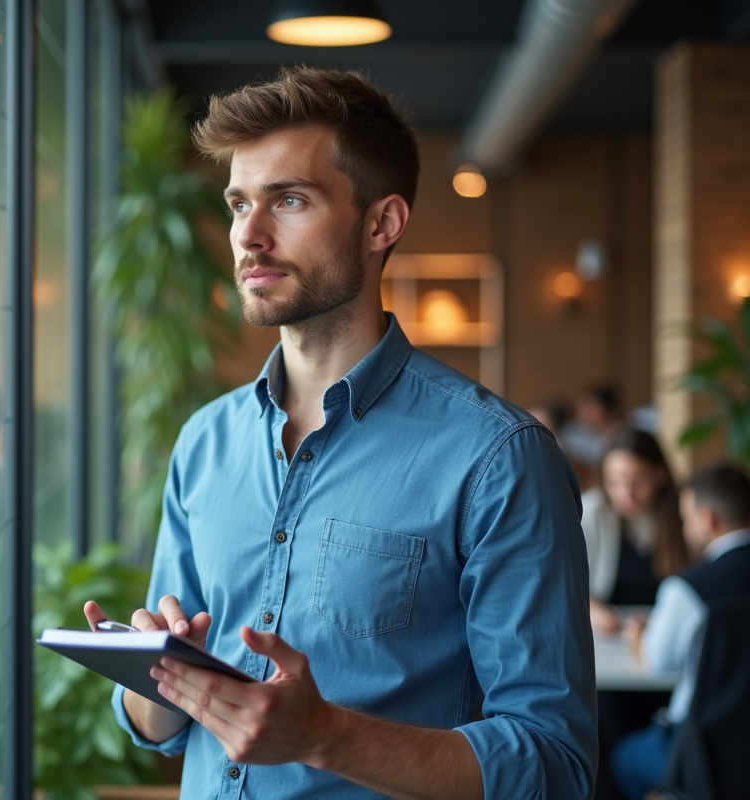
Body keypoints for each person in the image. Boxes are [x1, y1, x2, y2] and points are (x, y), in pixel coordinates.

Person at [83, 66, 596, 799]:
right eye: (238, 204)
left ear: (382, 224)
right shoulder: (205, 440)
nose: (249, 236)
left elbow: (553, 764)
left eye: (289, 200)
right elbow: (155, 727)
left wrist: (324, 736)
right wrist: (159, 677)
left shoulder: (498, 459)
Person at [611, 462, 750, 800]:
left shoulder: (688, 589)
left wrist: (639, 636)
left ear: (708, 520)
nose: (685, 529)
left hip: (702, 751)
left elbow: (657, 663)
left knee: (624, 758)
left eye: (686, 520)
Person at [581, 428, 690, 635]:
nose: (626, 494)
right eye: (614, 482)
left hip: (669, 633)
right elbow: (568, 583)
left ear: (660, 474)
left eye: (637, 482)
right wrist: (592, 608)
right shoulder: (591, 513)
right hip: (610, 635)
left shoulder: (684, 514)